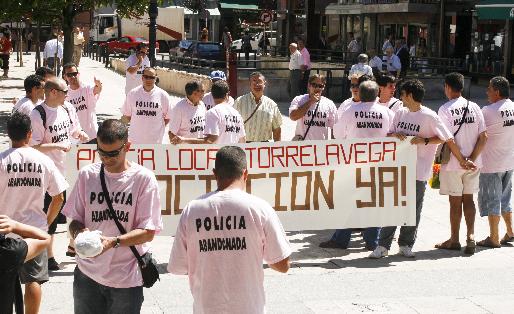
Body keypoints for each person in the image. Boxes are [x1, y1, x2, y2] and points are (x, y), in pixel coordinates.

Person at [168, 146, 291, 314]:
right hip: (249, 308)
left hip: (206, 308)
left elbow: (179, 266)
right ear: (245, 173)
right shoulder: (260, 208)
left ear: (214, 173)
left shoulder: (192, 210)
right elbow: (282, 265)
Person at [63, 119, 163, 314]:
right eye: (101, 152)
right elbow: (74, 219)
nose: (106, 159)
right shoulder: (87, 175)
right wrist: (79, 232)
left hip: (125, 279)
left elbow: (147, 232)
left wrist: (113, 242)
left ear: (128, 146)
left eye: (113, 154)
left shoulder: (143, 179)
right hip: (87, 275)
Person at [369, 79, 454, 258]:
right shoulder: (400, 113)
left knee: (413, 209)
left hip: (419, 170)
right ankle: (383, 245)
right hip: (398, 168)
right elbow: (389, 133)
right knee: (392, 207)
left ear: (410, 95)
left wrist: (424, 141)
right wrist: (395, 134)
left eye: (403, 94)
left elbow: (445, 137)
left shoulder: (429, 116)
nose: (401, 97)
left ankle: (406, 244)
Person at [1, 112, 68, 314]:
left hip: (4, 233)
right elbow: (59, 197)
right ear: (30, 134)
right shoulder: (44, 161)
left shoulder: (2, 161)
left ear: (9, 134)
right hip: (33, 233)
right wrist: (45, 225)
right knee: (34, 280)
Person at [320, 81, 394, 250]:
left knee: (348, 201)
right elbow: (392, 136)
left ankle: (341, 239)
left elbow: (338, 135)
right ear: (377, 94)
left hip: (353, 162)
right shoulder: (387, 113)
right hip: (378, 162)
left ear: (360, 94)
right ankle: (372, 241)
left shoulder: (349, 111)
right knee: (374, 203)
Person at [29, 77, 88, 270]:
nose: (68, 94)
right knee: (51, 216)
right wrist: (57, 145)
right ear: (53, 92)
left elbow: (74, 130)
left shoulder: (67, 109)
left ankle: (74, 247)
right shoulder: (38, 114)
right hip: (49, 174)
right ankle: (48, 256)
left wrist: (80, 134)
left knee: (79, 211)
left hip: (69, 169)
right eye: (65, 91)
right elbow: (34, 146)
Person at [435, 72, 487, 255]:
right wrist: (471, 159)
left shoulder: (445, 109)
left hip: (453, 165)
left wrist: (461, 160)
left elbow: (448, 140)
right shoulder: (475, 107)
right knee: (469, 199)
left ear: (448, 87)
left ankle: (454, 239)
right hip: (474, 164)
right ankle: (471, 235)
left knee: (454, 202)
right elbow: (484, 137)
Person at [477, 76, 514, 248]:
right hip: (509, 160)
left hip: (492, 162)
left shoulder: (488, 111)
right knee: (505, 199)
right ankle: (510, 230)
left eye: (489, 89)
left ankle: (494, 237)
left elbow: (479, 134)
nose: (487, 92)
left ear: (497, 92)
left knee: (492, 199)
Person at [0, 216, 51, 314]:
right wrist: (15, 226)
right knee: (33, 279)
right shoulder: (7, 251)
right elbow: (44, 238)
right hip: (31, 227)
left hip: (8, 230)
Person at [121, 67, 172, 144]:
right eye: (146, 77)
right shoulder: (132, 93)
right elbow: (127, 116)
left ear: (156, 79)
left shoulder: (163, 95)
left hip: (156, 141)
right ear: (142, 78)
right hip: (135, 140)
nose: (148, 80)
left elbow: (167, 118)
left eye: (151, 77)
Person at [234, 72, 282, 142]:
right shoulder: (239, 102)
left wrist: (278, 148)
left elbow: (277, 129)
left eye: (259, 81)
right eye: (254, 81)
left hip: (263, 147)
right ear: (250, 84)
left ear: (264, 83)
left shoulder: (271, 104)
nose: (257, 84)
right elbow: (231, 124)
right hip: (243, 146)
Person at [63, 63, 102, 144]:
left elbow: (96, 90)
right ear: (65, 77)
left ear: (78, 74)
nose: (73, 77)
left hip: (91, 136)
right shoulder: (64, 94)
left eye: (74, 74)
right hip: (74, 139)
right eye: (69, 75)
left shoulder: (87, 88)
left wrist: (98, 84)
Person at [289, 74, 337, 141]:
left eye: (320, 86)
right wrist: (310, 101)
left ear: (323, 87)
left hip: (320, 147)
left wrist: (334, 145)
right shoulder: (299, 100)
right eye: (314, 85)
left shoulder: (329, 104)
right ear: (309, 85)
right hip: (303, 147)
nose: (317, 88)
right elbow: (293, 117)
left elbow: (334, 127)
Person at [204, 80, 246, 144]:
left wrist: (188, 141)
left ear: (212, 94)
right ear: (227, 95)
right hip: (234, 152)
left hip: (218, 153)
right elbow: (242, 140)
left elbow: (212, 139)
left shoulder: (212, 112)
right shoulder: (237, 114)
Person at [168, 80, 207, 144]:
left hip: (200, 149)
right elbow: (171, 133)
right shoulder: (179, 108)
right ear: (194, 93)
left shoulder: (202, 105)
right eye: (202, 91)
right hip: (185, 150)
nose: (204, 93)